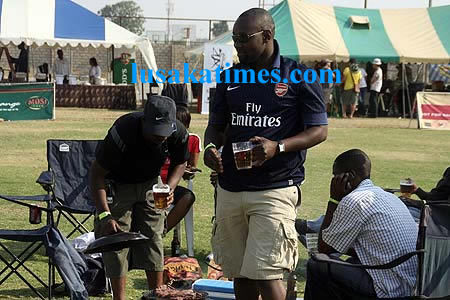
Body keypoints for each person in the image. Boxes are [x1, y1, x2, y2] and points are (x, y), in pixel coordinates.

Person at [203, 8, 328, 300]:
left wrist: (278, 146)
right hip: (230, 188)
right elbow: (215, 128)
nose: (238, 45)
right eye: (234, 39)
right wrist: (211, 148)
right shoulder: (229, 77)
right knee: (240, 272)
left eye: (244, 39)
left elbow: (319, 130)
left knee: (268, 273)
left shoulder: (299, 75)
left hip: (275, 189)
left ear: (267, 35)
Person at [90, 95, 189, 300]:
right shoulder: (123, 131)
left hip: (151, 184)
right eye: (155, 134)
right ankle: (119, 298)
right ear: (144, 121)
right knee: (116, 241)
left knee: (153, 237)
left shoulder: (178, 132)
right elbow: (97, 175)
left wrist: (169, 188)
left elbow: (181, 163)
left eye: (164, 134)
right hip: (118, 184)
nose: (160, 138)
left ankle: (156, 295)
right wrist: (105, 216)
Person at [304, 149, 418, 299]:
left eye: (335, 176)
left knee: (317, 264)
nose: (333, 180)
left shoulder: (355, 200)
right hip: (406, 284)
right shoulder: (387, 196)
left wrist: (334, 200)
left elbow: (324, 249)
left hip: (387, 288)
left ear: (349, 176)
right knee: (350, 261)